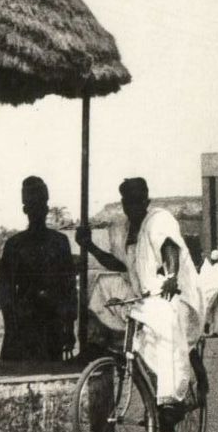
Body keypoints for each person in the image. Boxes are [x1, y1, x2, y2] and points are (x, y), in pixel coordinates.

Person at [76, 177, 208, 414]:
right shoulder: (123, 229)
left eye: (137, 202)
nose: (132, 207)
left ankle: (170, 399)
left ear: (146, 201)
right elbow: (119, 264)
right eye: (128, 202)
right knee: (100, 288)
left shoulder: (158, 220)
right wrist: (90, 247)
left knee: (164, 322)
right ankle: (98, 344)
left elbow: (170, 248)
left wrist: (171, 276)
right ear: (123, 203)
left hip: (173, 292)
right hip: (144, 293)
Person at [0, 177, 77, 362]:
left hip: (52, 323)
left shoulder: (60, 242)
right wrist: (11, 328)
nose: (38, 210)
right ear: (25, 209)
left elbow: (69, 287)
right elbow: (6, 292)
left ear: (47, 208)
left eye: (41, 205)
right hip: (23, 323)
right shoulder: (14, 245)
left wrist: (69, 327)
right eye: (32, 205)